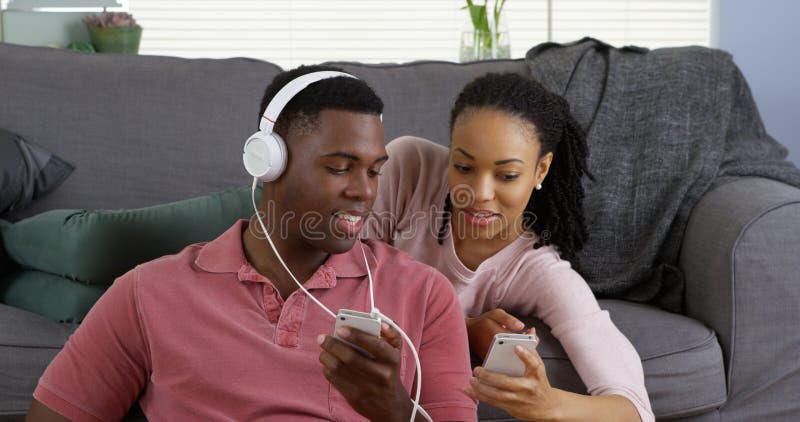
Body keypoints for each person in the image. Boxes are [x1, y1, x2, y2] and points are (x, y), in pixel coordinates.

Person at [25, 65, 477, 422]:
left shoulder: (423, 296)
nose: (364, 192)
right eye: (340, 167)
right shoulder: (146, 293)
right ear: (268, 162)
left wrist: (396, 414)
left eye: (374, 170)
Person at [365, 72, 654, 421]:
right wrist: (463, 327)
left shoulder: (538, 270)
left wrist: (547, 405)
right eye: (463, 166)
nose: (479, 192)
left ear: (540, 170)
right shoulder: (410, 167)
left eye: (507, 175)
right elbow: (335, 280)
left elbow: (634, 410)